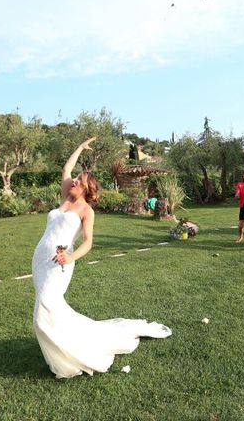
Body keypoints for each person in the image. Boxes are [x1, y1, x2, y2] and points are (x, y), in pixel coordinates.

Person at [32, 137, 172, 379]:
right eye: (75, 180)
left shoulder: (86, 211)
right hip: (40, 259)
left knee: (44, 308)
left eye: (79, 181)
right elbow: (66, 169)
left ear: (86, 189)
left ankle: (70, 355)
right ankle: (61, 349)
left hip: (60, 262)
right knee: (48, 308)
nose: (73, 180)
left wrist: (71, 256)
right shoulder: (66, 198)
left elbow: (88, 242)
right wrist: (80, 148)